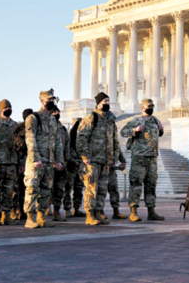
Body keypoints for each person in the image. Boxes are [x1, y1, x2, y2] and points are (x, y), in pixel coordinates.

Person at [76, 92, 124, 226]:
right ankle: (90, 215)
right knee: (91, 188)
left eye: (108, 101)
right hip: (93, 161)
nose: (107, 103)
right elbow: (81, 137)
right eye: (105, 101)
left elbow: (115, 141)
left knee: (102, 189)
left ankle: (98, 212)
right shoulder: (91, 118)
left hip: (106, 161)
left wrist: (114, 158)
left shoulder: (111, 121)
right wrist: (85, 156)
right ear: (98, 103)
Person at [24, 90, 64, 228]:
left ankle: (41, 216)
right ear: (41, 100)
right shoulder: (33, 118)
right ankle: (30, 218)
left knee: (46, 189)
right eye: (49, 99)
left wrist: (59, 160)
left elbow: (58, 142)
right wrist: (35, 158)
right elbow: (30, 139)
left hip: (49, 161)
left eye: (53, 99)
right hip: (36, 161)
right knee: (32, 188)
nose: (51, 101)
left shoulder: (53, 120)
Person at [120, 98, 165, 222]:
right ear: (142, 107)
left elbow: (158, 135)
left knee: (151, 185)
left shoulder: (156, 120)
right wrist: (135, 130)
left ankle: (151, 211)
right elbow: (123, 132)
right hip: (139, 157)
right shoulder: (136, 120)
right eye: (148, 106)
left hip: (153, 157)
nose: (150, 108)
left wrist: (161, 130)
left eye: (152, 106)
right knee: (136, 184)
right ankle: (133, 211)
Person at [49, 106, 70, 222]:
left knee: (59, 189)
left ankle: (56, 211)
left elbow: (66, 146)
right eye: (54, 112)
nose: (57, 113)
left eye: (58, 112)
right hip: (50, 163)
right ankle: (45, 209)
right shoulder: (47, 127)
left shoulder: (62, 129)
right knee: (47, 188)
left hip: (61, 164)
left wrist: (64, 161)